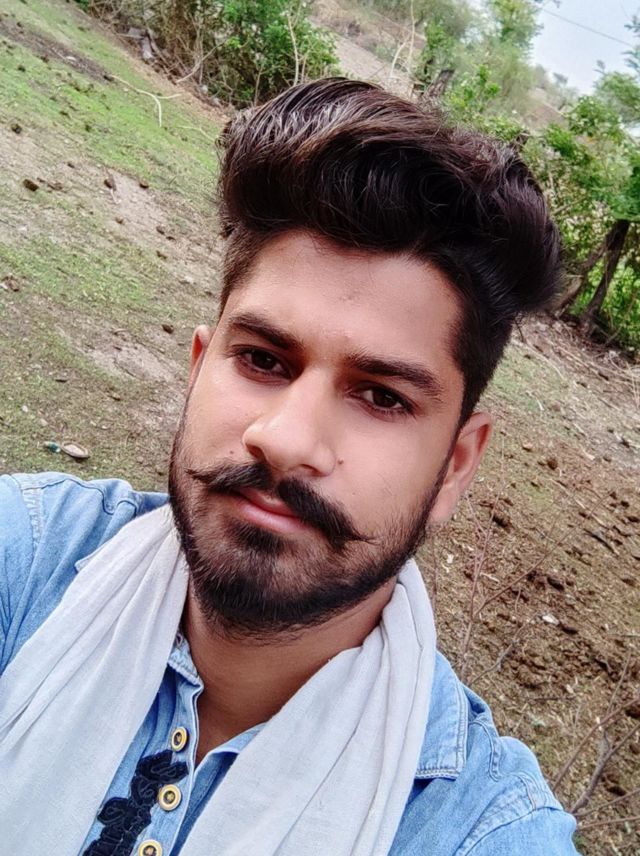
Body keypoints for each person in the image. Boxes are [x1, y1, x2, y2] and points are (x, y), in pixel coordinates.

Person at [0, 78, 578, 855]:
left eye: (382, 396)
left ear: (454, 467)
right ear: (198, 369)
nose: (284, 439)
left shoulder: (478, 827)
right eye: (263, 360)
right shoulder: (30, 559)